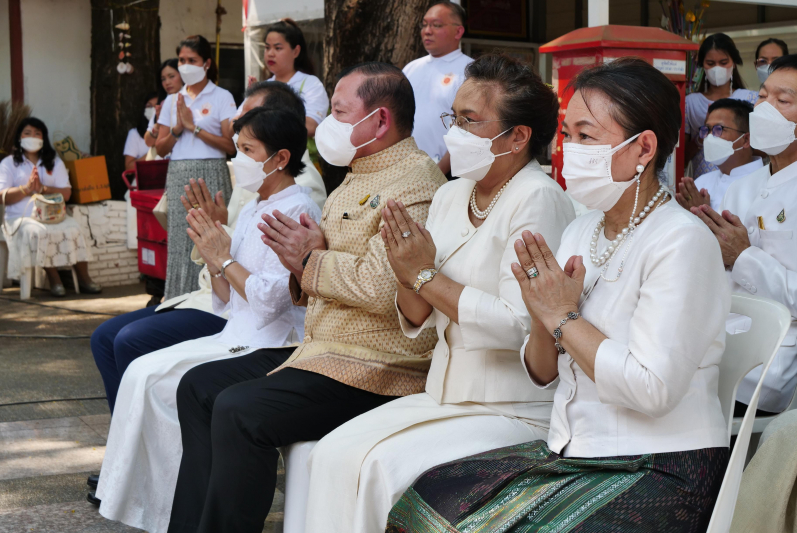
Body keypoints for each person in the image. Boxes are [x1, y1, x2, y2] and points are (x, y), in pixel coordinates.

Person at [387, 57, 731, 533]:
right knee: (420, 505)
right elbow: (543, 372)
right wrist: (544, 319)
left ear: (643, 148)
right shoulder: (582, 230)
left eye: (587, 137)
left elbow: (652, 390)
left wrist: (563, 317)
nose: (570, 151)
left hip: (657, 463)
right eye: (568, 136)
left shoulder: (681, 240)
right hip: (574, 448)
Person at [166, 62, 447, 533]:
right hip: (320, 351)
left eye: (339, 112)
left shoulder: (414, 185)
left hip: (375, 364)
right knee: (198, 389)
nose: (328, 124)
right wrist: (304, 261)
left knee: (240, 411)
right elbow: (318, 274)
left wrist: (308, 262)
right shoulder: (355, 179)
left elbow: (384, 290)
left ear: (379, 121)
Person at [305, 54, 576, 533]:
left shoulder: (537, 197)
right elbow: (418, 315)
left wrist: (426, 276)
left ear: (517, 137)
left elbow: (522, 323)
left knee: (381, 471)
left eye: (470, 121)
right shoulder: (453, 193)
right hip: (443, 392)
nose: (454, 132)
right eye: (453, 117)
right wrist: (407, 274)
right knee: (329, 455)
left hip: (510, 406)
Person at [94, 107, 322, 533]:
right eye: (237, 147)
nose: (237, 159)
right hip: (237, 330)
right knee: (141, 375)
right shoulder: (257, 205)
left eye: (248, 150)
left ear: (281, 157)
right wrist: (212, 252)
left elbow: (274, 300)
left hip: (271, 342)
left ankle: (175, 512)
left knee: (159, 383)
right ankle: (159, 510)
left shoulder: (298, 210)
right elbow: (227, 296)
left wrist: (224, 255)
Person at [90, 80, 326, 419]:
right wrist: (216, 236)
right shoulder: (258, 195)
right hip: (226, 306)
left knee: (135, 349)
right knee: (113, 346)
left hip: (264, 334)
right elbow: (230, 279)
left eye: (248, 145)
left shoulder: (299, 196)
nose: (237, 126)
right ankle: (128, 457)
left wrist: (223, 255)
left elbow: (279, 291)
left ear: (279, 137)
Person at [690, 54, 797, 417]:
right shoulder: (744, 185)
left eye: (783, 101)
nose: (766, 109)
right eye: (763, 97)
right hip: (722, 341)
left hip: (770, 367)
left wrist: (744, 256)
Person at [155, 35, 237, 299]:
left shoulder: (222, 96)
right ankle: (178, 296)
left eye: (193, 60)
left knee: (212, 231)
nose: (186, 65)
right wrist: (179, 130)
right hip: (179, 171)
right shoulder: (172, 100)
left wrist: (195, 127)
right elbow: (160, 148)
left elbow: (230, 144)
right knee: (181, 238)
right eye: (182, 60)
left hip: (212, 170)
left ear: (206, 63)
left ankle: (217, 295)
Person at [0, 117, 101, 297]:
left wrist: (43, 189)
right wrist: (26, 189)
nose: (33, 137)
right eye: (27, 133)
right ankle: (55, 279)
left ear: (43, 138)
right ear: (19, 138)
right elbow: (0, 196)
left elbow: (66, 194)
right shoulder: (9, 163)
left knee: (75, 228)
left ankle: (85, 279)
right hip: (20, 217)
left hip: (52, 215)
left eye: (37, 133)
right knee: (39, 232)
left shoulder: (54, 161)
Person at [403, 1, 472, 175]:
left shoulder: (470, 71)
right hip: (407, 168)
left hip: (448, 172)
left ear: (458, 31)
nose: (427, 31)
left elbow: (467, 127)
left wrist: (439, 171)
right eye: (425, 24)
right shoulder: (411, 68)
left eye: (436, 25)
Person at [685, 33, 758, 179]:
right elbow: (683, 156)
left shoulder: (752, 98)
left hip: (743, 178)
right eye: (710, 64)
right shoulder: (690, 103)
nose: (717, 68)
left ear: (734, 63)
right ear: (702, 66)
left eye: (723, 62)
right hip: (704, 180)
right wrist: (703, 135)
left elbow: (762, 147)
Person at [676, 99, 761, 212]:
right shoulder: (701, 183)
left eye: (718, 129)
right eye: (707, 130)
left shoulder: (765, 184)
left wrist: (703, 213)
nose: (710, 136)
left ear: (746, 140)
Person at [264, 18, 328, 137]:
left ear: (296, 51)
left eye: (278, 48)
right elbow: (234, 125)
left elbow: (310, 126)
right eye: (267, 47)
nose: (270, 54)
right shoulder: (262, 87)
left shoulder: (311, 84)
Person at [145, 58, 184, 151]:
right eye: (163, 79)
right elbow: (148, 142)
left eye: (171, 76)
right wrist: (157, 126)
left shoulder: (192, 99)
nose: (167, 82)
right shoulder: (162, 104)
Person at [124, 92, 158, 170]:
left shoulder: (172, 131)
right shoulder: (135, 134)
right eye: (149, 106)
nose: (152, 109)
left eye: (156, 106)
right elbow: (128, 168)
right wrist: (153, 153)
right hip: (143, 180)